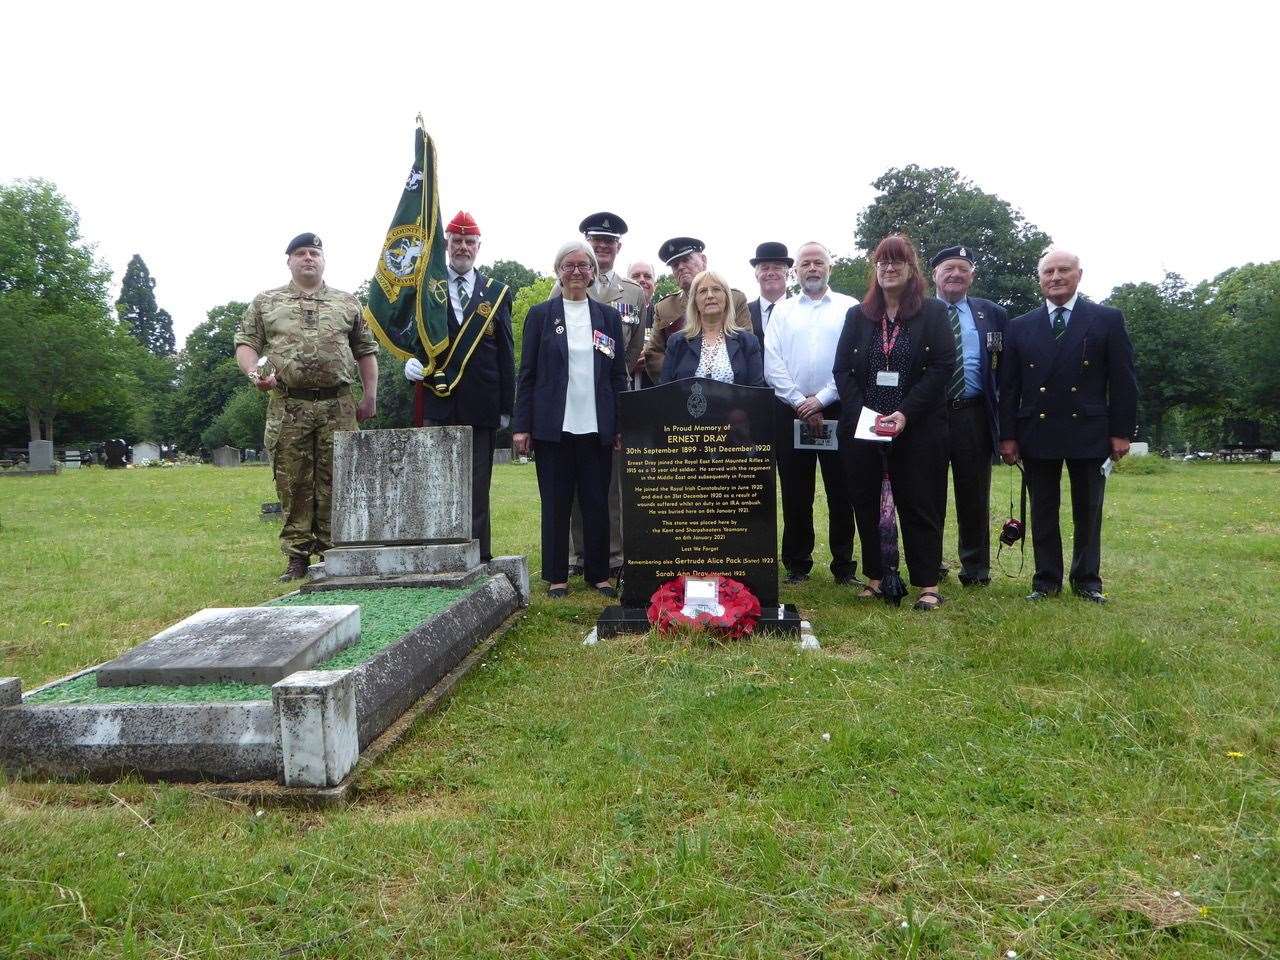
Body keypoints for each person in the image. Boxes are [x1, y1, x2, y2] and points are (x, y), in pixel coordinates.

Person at [234, 232, 379, 580]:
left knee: (340, 478)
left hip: (338, 405)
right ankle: (297, 556)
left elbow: (366, 351)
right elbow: (246, 343)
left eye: (314, 252)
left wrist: (370, 396)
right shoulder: (266, 302)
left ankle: (335, 551)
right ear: (289, 261)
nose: (308, 258)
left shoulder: (348, 303)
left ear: (323, 260)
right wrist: (255, 372)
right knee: (292, 481)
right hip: (288, 405)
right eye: (300, 253)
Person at [998, 248, 1137, 603]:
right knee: (1043, 510)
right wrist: (1008, 436)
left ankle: (1087, 580)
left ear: (1079, 274)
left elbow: (1123, 380)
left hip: (1089, 430)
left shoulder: (1106, 319)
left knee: (1088, 510)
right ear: (1040, 279)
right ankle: (1046, 581)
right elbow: (1009, 387)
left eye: (1063, 270)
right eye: (1048, 272)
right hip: (1037, 431)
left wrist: (1122, 432)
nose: (1055, 277)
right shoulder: (1019, 326)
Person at [834, 234, 954, 610]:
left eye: (897, 262)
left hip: (917, 426)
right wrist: (863, 417)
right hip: (865, 427)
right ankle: (876, 576)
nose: (888, 268)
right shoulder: (858, 315)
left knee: (921, 502)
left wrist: (905, 413)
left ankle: (927, 584)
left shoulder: (932, 313)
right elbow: (842, 371)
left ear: (910, 269)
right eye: (882, 262)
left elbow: (942, 368)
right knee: (867, 502)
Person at [512, 241, 627, 598]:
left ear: (593, 272)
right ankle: (557, 576)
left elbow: (617, 376)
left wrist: (620, 424)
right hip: (552, 426)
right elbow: (527, 374)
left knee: (596, 501)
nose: (576, 271)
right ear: (558, 271)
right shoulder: (541, 315)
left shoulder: (608, 317)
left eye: (583, 265)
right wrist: (521, 426)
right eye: (568, 265)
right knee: (557, 501)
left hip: (597, 425)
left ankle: (599, 574)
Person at [404, 211, 514, 563]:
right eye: (456, 241)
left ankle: (479, 556)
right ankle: (439, 553)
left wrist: (507, 408)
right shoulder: (427, 288)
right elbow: (413, 337)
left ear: (478, 247)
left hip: (482, 403)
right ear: (447, 245)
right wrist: (408, 363)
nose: (462, 247)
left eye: (469, 242)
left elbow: (506, 353)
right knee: (436, 480)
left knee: (477, 485)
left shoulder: (496, 294)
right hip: (438, 398)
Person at [763, 242, 859, 585]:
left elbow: (854, 360)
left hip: (837, 407)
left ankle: (844, 565)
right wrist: (799, 401)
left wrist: (820, 400)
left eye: (819, 262)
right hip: (790, 409)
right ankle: (797, 564)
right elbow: (772, 361)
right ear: (796, 271)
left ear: (829, 268)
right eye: (806, 263)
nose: (813, 268)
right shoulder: (782, 311)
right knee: (795, 490)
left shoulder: (850, 307)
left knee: (841, 489)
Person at [556, 213, 646, 580]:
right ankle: (580, 555)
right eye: (597, 240)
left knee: (613, 483)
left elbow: (634, 348)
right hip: (574, 397)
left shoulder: (635, 293)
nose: (603, 247)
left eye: (609, 242)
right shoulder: (567, 283)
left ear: (618, 247)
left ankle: (614, 555)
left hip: (612, 393)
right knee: (577, 482)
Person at [930, 245, 1008, 586]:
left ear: (972, 276)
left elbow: (1005, 368)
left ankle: (976, 570)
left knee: (974, 497)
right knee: (927, 496)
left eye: (963, 269)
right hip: (928, 417)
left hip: (973, 414)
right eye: (949, 268)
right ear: (934, 274)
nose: (956, 274)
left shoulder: (992, 313)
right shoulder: (917, 311)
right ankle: (929, 565)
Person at [641, 237, 750, 383]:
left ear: (703, 260)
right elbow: (654, 353)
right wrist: (676, 384)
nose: (680, 267)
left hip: (730, 388)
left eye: (686, 260)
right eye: (674, 265)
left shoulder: (734, 299)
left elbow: (746, 347)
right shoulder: (664, 307)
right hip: (681, 392)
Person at [659, 270, 764, 385]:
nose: (710, 295)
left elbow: (756, 391)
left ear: (727, 299)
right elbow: (665, 390)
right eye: (703, 291)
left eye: (716, 289)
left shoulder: (748, 342)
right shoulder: (677, 342)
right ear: (695, 302)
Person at [746, 242, 793, 341]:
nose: (770, 273)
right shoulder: (744, 313)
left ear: (787, 275)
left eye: (777, 268)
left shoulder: (800, 310)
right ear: (756, 275)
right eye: (764, 268)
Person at [626, 260, 658, 389]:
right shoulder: (613, 314)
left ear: (655, 284)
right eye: (635, 276)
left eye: (647, 276)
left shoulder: (664, 317)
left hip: (655, 393)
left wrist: (651, 359)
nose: (642, 280)